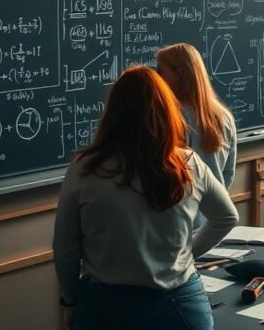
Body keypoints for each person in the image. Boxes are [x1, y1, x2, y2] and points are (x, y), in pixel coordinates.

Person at [54, 66, 239, 330]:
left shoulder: (84, 168)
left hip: (106, 307)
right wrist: (187, 254)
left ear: (113, 112)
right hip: (179, 305)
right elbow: (227, 217)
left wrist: (71, 301)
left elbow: (65, 249)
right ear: (167, 111)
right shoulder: (188, 163)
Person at [155, 43, 237, 197]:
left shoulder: (170, 116)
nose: (157, 78)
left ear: (178, 74)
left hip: (182, 211)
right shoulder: (224, 116)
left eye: (160, 71)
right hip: (214, 211)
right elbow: (228, 172)